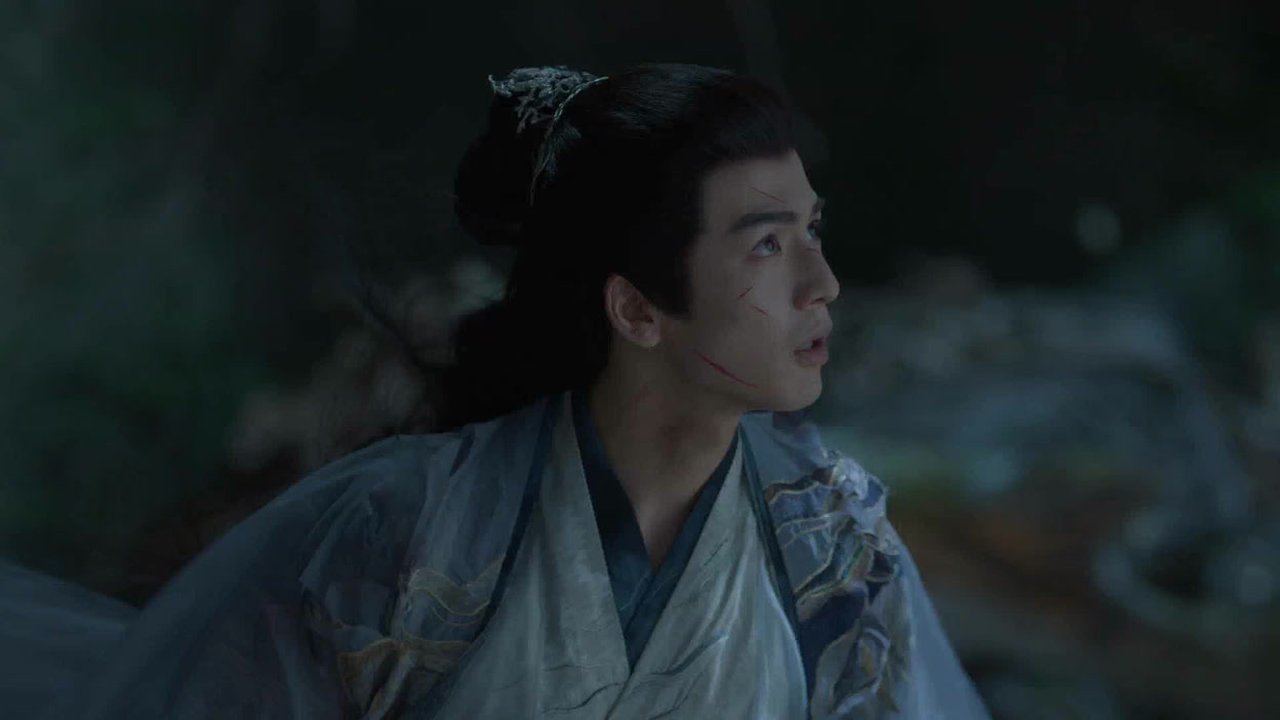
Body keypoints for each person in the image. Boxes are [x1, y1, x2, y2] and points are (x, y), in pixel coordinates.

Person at [0, 63, 991, 719]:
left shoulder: (828, 542)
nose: (822, 284)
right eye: (767, 245)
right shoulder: (411, 531)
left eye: (812, 232)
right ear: (636, 308)